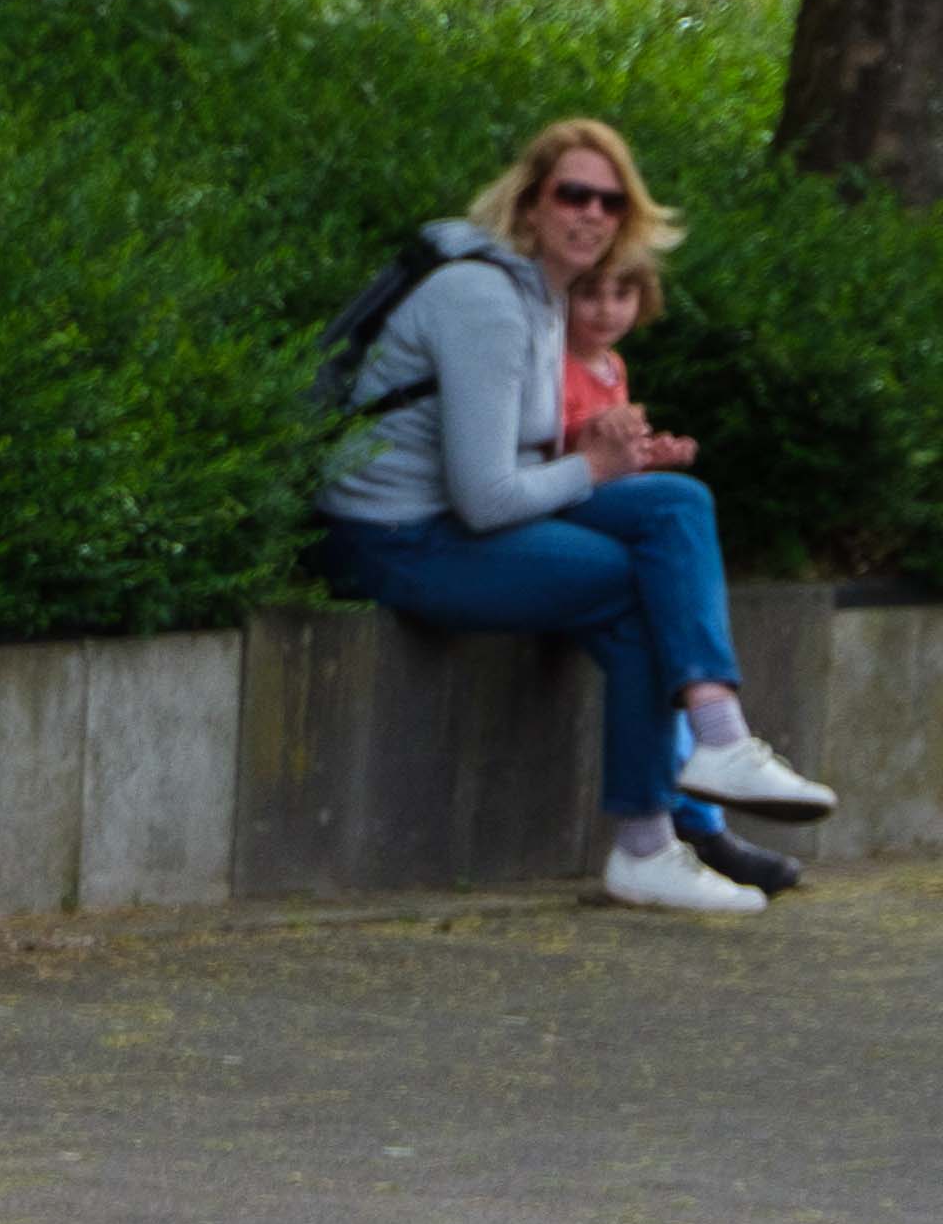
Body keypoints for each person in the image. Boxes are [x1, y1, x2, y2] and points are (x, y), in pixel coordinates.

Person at [319, 115, 836, 921]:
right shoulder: (486, 300)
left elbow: (516, 464)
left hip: (455, 523)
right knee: (627, 583)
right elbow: (485, 498)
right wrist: (592, 469)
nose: (593, 214)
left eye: (610, 200)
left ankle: (720, 736)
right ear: (529, 207)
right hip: (395, 539)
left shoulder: (541, 297)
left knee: (675, 502)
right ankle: (647, 844)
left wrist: (604, 455)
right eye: (574, 195)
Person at [551, 253, 799, 898]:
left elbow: (614, 469)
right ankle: (701, 797)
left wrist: (646, 456)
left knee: (673, 646)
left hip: (598, 507)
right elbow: (544, 459)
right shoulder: (552, 361)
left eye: (622, 296)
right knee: (678, 527)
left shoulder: (615, 369)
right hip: (555, 511)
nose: (607, 310)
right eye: (591, 296)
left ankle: (694, 823)